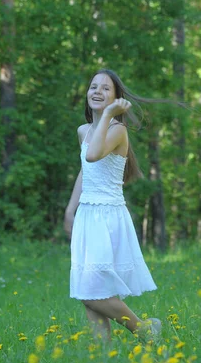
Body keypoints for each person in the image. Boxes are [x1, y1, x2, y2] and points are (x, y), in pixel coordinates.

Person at [64, 69, 162, 342]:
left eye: (105, 88)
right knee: (89, 294)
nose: (97, 91)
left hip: (107, 216)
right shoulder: (83, 131)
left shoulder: (118, 130)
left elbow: (94, 155)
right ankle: (102, 361)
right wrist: (70, 210)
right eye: (93, 86)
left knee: (92, 290)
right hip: (87, 213)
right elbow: (86, 170)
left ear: (117, 98)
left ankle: (143, 330)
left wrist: (108, 115)